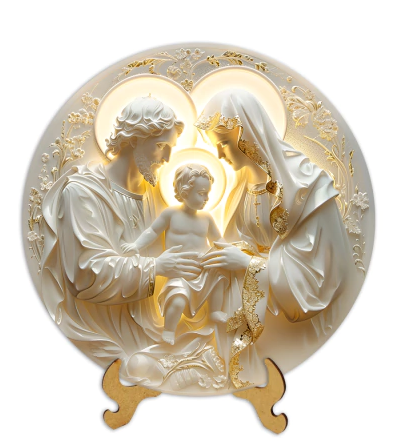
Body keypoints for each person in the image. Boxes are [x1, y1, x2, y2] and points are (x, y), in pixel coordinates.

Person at [195, 89, 356, 388]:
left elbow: (320, 276)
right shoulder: (241, 188)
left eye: (224, 143)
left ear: (249, 135)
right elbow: (238, 240)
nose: (219, 154)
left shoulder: (306, 185)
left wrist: (249, 264)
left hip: (293, 320)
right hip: (253, 309)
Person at [40, 96, 203, 382]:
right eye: (160, 146)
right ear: (133, 139)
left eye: (171, 148)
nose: (167, 159)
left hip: (151, 329)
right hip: (104, 334)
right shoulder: (82, 192)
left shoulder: (154, 196)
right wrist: (157, 267)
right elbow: (86, 274)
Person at [121, 163, 229, 345]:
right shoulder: (171, 214)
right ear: (185, 192)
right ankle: (169, 330)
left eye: (208, 193)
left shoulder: (207, 218)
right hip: (180, 271)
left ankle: (215, 311)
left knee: (219, 277)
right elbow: (152, 232)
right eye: (201, 193)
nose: (206, 198)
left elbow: (218, 240)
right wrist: (136, 246)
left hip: (204, 269)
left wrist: (230, 250)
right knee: (177, 300)